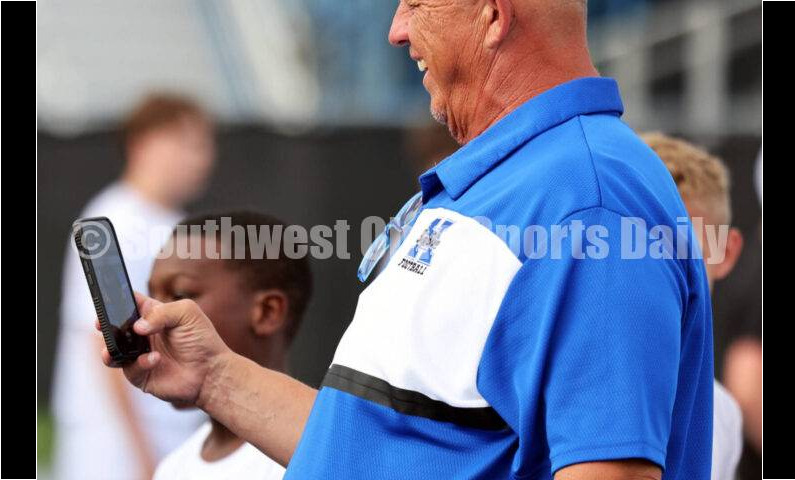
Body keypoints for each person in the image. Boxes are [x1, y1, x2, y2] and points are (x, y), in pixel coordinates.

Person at [103, 2, 715, 479]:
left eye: (419, 4)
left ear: (493, 15)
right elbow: (372, 446)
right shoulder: (516, 184)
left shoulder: (584, 200)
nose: (396, 30)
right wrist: (214, 377)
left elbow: (611, 469)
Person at [53, 94, 215, 480]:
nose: (202, 159)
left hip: (171, 434)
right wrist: (142, 456)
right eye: (188, 143)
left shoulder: (177, 223)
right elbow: (102, 340)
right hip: (113, 445)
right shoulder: (113, 220)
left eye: (206, 146)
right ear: (143, 144)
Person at [151, 211, 312, 480]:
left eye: (179, 295)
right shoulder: (173, 468)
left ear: (267, 312)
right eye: (152, 296)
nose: (154, 316)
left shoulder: (311, 457)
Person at [641, 132, 746, 480]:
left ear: (726, 253)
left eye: (688, 255)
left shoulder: (725, 415)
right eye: (642, 252)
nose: (667, 275)